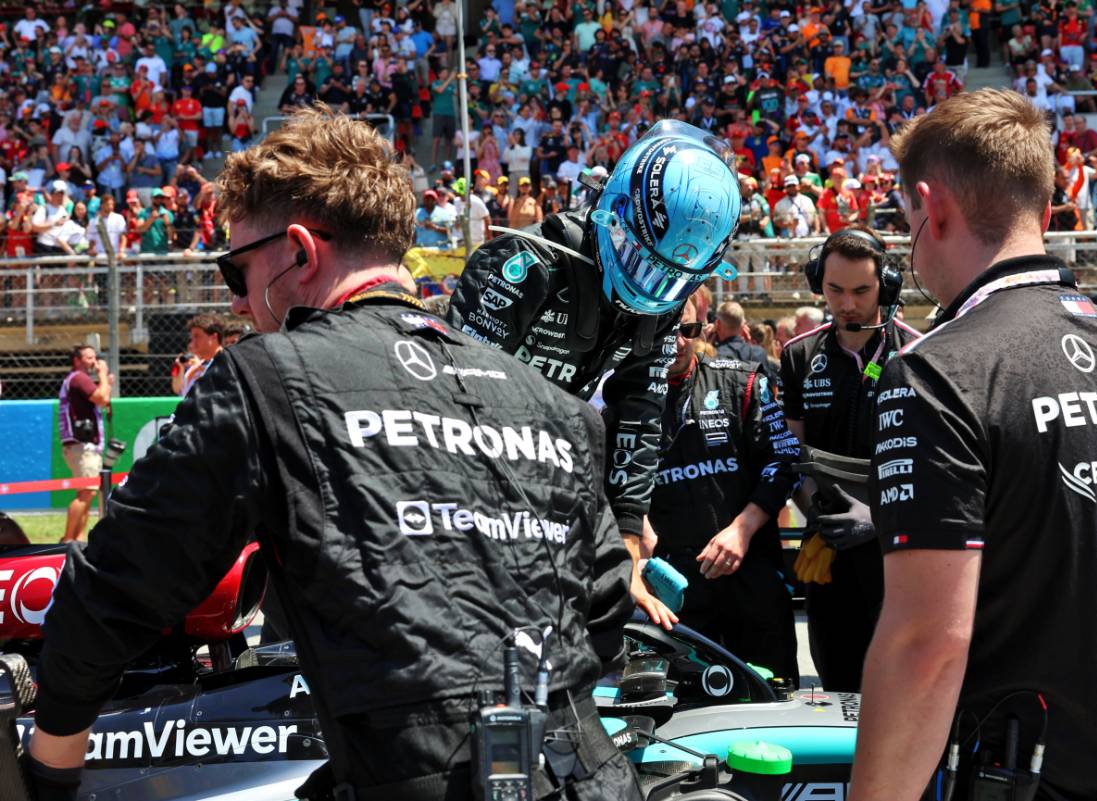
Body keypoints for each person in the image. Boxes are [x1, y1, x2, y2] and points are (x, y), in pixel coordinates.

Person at [29, 108, 640, 801]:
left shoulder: (266, 380)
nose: (238, 304)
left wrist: (48, 772)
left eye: (237, 272)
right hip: (589, 777)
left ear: (299, 251)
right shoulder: (557, 407)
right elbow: (605, 612)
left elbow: (108, 592)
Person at [848, 88, 1097, 801]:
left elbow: (925, 646)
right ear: (1043, 209)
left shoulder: (938, 373)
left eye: (907, 221)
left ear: (932, 207)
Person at [447, 119, 741, 628]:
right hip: (472, 497)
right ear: (614, 211)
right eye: (644, 262)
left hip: (550, 489)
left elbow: (640, 415)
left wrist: (627, 543)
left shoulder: (663, 301)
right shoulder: (525, 265)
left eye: (672, 276)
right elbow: (456, 405)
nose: (652, 286)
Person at [778, 226, 920, 692]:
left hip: (899, 548)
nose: (846, 304)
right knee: (837, 679)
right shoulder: (799, 355)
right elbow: (793, 451)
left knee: (899, 684)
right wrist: (818, 514)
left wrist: (881, 517)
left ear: (887, 286)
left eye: (861, 290)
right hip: (829, 546)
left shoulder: (919, 353)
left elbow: (935, 463)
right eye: (835, 289)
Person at [648, 295, 801, 685]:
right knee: (681, 713)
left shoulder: (743, 380)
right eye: (663, 330)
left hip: (751, 578)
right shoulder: (622, 398)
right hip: (671, 592)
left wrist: (743, 529)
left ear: (703, 325)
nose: (677, 342)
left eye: (687, 330)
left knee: (772, 702)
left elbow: (784, 461)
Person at [57, 344, 111, 543]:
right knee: (86, 493)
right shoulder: (79, 378)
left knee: (87, 493)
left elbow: (103, 399)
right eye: (89, 358)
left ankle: (78, 538)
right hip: (82, 446)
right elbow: (102, 398)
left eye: (94, 357)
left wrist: (105, 383)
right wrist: (103, 375)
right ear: (77, 361)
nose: (94, 361)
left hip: (82, 446)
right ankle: (67, 539)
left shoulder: (75, 379)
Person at [179, 313, 224, 396]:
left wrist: (206, 371)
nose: (193, 342)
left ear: (214, 337)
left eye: (197, 336)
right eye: (192, 337)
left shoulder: (229, 362)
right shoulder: (193, 370)